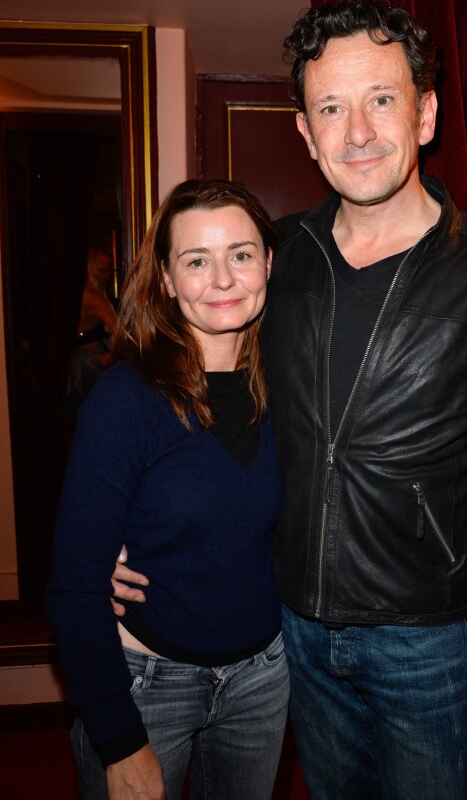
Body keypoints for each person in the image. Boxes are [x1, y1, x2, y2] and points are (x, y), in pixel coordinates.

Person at [113, 0, 467, 799]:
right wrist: (123, 525)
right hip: (292, 631)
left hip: (423, 644)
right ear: (306, 131)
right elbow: (191, 395)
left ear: (425, 113)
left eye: (382, 100)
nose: (357, 131)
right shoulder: (277, 259)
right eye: (331, 106)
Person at [47, 179, 288, 800]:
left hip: (262, 682)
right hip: (146, 685)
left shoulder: (290, 388)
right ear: (167, 277)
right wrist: (119, 739)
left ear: (268, 261)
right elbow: (74, 585)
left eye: (240, 253)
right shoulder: (126, 400)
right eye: (196, 260)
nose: (223, 278)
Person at [67, 247, 118, 416]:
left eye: (108, 270)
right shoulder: (93, 297)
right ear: (90, 268)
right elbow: (122, 334)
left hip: (85, 363)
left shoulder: (91, 294)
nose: (106, 276)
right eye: (102, 270)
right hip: (85, 366)